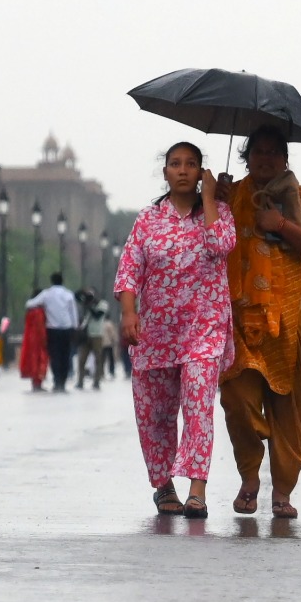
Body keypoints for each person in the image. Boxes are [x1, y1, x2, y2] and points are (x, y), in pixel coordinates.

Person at [215, 125, 301, 519]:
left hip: (288, 321)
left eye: (273, 152)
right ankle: (250, 476)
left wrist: (281, 225)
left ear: (285, 159)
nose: (265, 159)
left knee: (289, 412)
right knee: (236, 399)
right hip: (241, 319)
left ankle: (281, 492)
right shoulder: (232, 196)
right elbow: (209, 240)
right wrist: (215, 204)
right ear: (246, 157)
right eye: (258, 152)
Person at [116, 142, 237, 518]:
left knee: (199, 407)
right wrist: (129, 313)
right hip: (156, 332)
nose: (183, 170)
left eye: (191, 164)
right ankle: (164, 485)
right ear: (165, 171)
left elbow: (221, 245)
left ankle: (197, 490)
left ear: (201, 172)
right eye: (175, 163)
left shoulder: (219, 213)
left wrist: (211, 198)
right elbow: (129, 269)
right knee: (155, 412)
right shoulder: (148, 219)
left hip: (204, 329)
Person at [28, 272, 79, 392]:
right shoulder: (68, 294)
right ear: (62, 281)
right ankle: (63, 382)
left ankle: (57, 381)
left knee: (55, 356)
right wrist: (75, 327)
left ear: (51, 281)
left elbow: (30, 304)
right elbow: (73, 313)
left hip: (52, 330)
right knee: (65, 356)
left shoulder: (46, 294)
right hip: (66, 329)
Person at [76, 289, 109, 390]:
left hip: (97, 334)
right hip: (86, 335)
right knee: (82, 359)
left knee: (98, 359)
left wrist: (90, 306)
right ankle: (80, 381)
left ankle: (96, 382)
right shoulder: (87, 304)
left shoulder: (103, 304)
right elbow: (76, 296)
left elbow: (97, 316)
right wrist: (82, 294)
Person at [20, 291, 50, 391]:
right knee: (39, 360)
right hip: (38, 340)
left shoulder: (30, 311)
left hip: (30, 338)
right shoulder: (39, 312)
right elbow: (40, 327)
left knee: (32, 360)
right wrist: (44, 339)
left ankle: (35, 382)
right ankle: (38, 383)